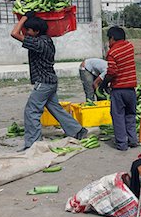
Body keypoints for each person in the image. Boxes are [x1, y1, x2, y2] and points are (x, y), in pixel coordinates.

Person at [10, 12, 88, 151]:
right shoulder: (47, 40)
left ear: (37, 31)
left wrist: (24, 17)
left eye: (28, 30)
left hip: (44, 83)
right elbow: (21, 32)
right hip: (50, 81)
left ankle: (33, 144)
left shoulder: (38, 43)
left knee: (31, 111)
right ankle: (77, 130)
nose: (26, 32)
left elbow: (14, 33)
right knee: (55, 108)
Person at [99, 26, 138, 151]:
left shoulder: (112, 52)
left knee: (118, 116)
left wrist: (104, 84)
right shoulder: (130, 47)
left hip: (119, 89)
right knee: (130, 115)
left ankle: (122, 144)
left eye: (109, 40)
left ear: (112, 38)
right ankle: (133, 140)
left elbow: (112, 72)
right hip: (131, 89)